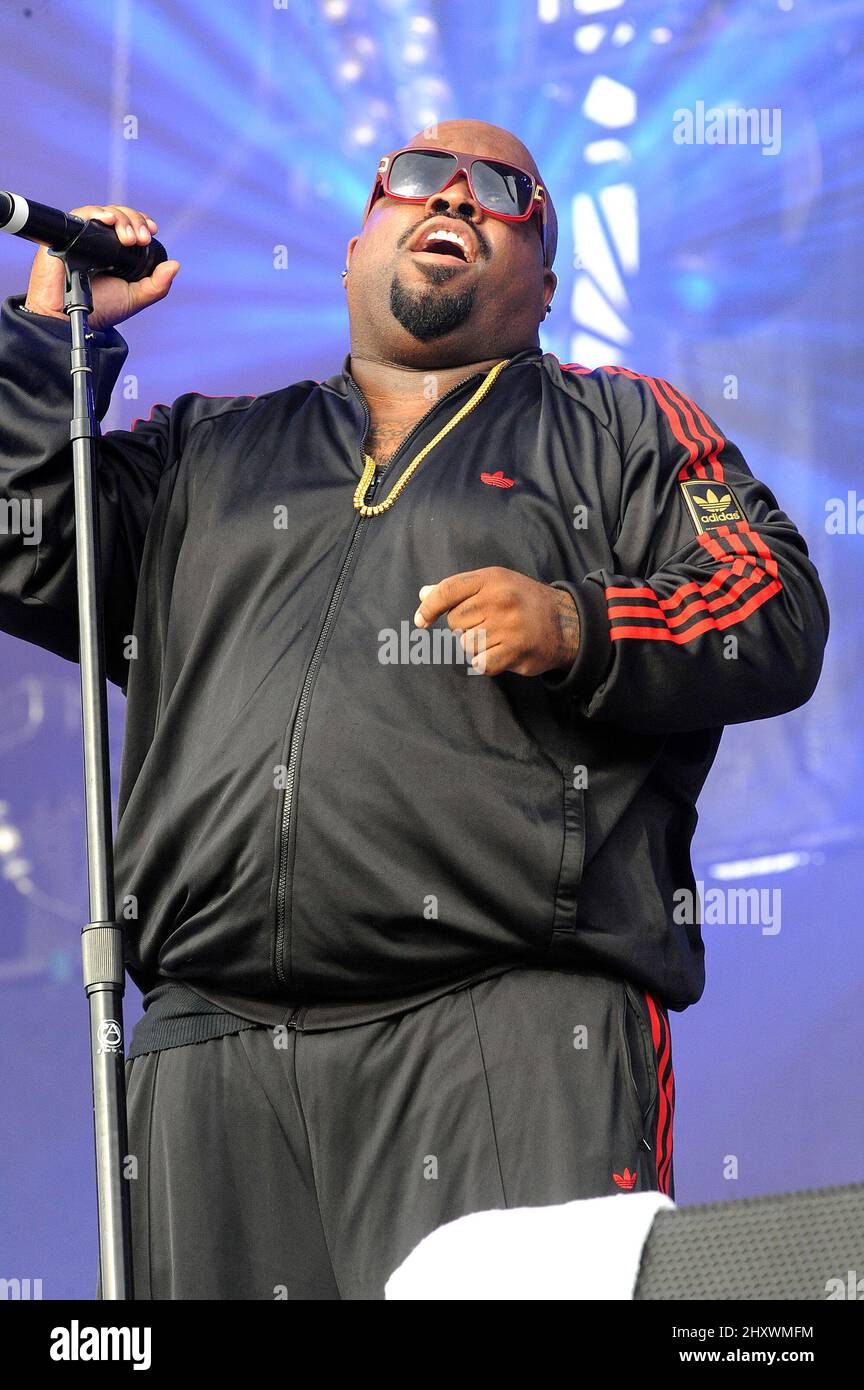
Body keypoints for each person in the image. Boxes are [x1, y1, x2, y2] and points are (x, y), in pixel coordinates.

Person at [0, 119, 829, 1300]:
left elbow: (775, 603)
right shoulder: (209, 450)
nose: (459, 196)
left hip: (505, 1025)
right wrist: (50, 343)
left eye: (503, 190)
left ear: (544, 286)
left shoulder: (619, 425)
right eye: (419, 178)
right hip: (209, 1051)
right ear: (353, 251)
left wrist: (580, 626)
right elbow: (25, 546)